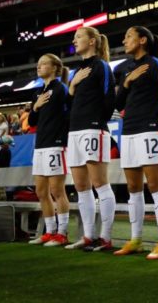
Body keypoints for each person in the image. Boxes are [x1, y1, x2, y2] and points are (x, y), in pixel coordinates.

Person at [113, 26, 158, 259]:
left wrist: (151, 118)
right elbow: (118, 104)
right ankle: (136, 240)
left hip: (149, 131)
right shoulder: (126, 69)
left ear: (142, 40)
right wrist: (127, 83)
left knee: (155, 186)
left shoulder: (156, 64)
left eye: (128, 36)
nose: (124, 40)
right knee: (132, 188)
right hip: (128, 132)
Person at [64, 26, 116, 251]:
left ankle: (105, 237)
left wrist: (96, 122)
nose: (74, 41)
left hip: (93, 129)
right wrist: (73, 85)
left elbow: (109, 98)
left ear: (92, 41)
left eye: (78, 37)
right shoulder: (77, 70)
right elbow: (69, 103)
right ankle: (88, 235)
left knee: (99, 184)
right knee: (81, 186)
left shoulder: (102, 66)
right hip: (74, 131)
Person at [27, 54, 71, 247]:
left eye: (43, 63)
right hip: (40, 146)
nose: (39, 66)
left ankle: (62, 233)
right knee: (41, 191)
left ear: (54, 68)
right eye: (38, 63)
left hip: (55, 144)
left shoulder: (61, 89)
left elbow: (68, 116)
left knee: (57, 190)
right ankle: (49, 231)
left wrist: (63, 140)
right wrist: (35, 107)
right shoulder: (37, 92)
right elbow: (31, 122)